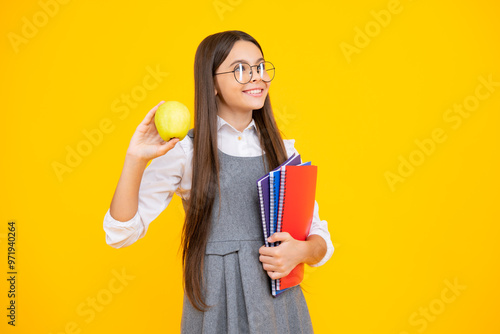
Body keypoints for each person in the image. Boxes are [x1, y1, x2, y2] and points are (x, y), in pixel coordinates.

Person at [103, 30, 334, 333]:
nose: (257, 77)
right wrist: (135, 158)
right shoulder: (187, 152)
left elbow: (320, 239)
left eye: (260, 67)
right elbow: (120, 233)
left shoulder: (284, 151)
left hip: (281, 312)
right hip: (216, 312)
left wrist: (301, 252)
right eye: (240, 69)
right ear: (211, 83)